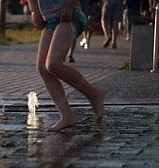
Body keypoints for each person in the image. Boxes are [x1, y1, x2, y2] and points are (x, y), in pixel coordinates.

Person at [27, 0, 105, 132]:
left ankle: (94, 95)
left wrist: (69, 5)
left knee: (53, 64)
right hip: (50, 20)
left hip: (70, 15)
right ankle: (66, 116)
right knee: (42, 68)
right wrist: (34, 11)